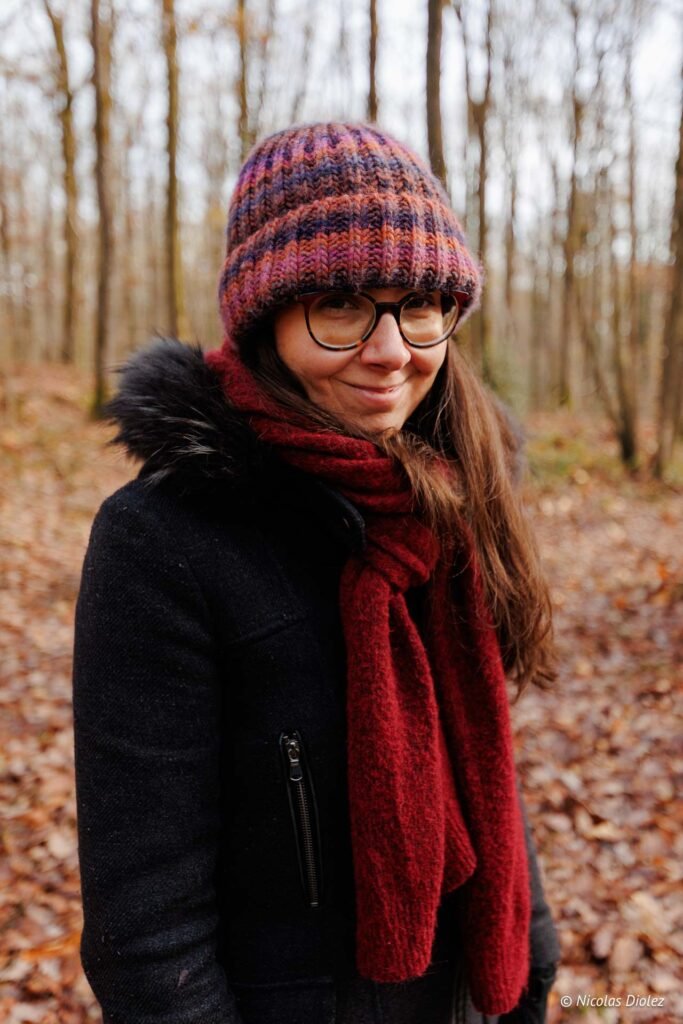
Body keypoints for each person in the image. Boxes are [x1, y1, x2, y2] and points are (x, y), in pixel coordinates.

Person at [72, 121, 561, 1024]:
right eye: (341, 303)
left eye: (422, 303)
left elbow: (486, 771)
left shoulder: (451, 498)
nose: (392, 350)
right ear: (266, 316)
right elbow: (146, 927)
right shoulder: (163, 540)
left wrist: (530, 966)